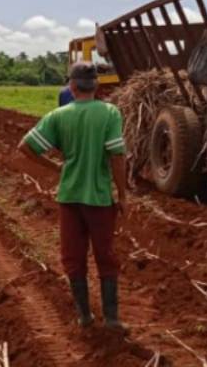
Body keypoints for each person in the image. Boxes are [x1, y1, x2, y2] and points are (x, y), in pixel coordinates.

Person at [18, 62, 128, 330]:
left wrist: (55, 167)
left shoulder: (58, 115)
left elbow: (25, 146)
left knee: (73, 257)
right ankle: (112, 319)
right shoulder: (110, 113)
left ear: (71, 85)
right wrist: (123, 194)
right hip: (100, 198)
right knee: (106, 256)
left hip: (69, 198)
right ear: (97, 86)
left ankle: (84, 316)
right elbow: (117, 156)